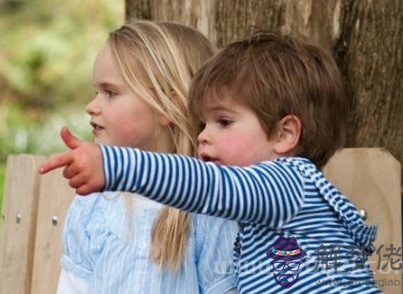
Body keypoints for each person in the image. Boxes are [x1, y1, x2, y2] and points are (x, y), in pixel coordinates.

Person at [41, 32, 384, 293]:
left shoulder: (290, 182)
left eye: (223, 122)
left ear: (284, 135)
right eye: (203, 123)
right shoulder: (259, 211)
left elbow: (205, 186)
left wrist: (115, 165)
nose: (202, 136)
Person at [53, 21, 239, 294]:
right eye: (96, 92)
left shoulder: (209, 214)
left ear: (169, 105)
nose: (91, 106)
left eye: (110, 93)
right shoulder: (93, 205)